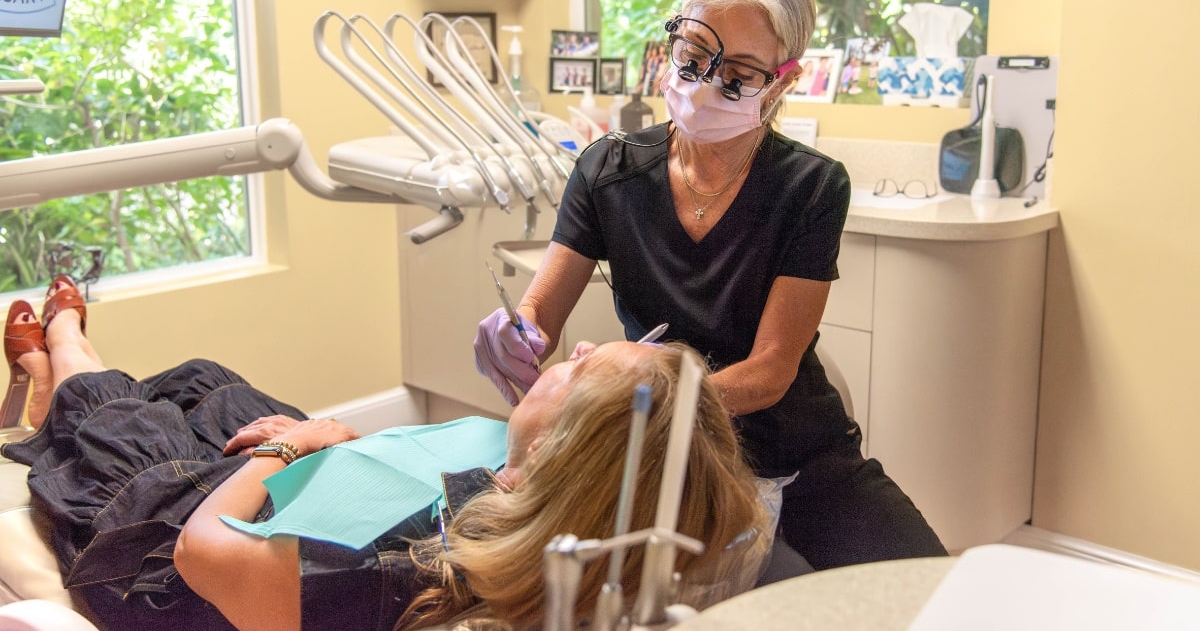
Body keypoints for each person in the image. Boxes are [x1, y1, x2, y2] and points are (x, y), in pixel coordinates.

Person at [474, 0, 947, 572]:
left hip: (791, 448)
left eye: (738, 76)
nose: (702, 85)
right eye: (692, 56)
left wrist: (640, 403)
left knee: (927, 588)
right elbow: (540, 315)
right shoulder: (607, 171)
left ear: (782, 82)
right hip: (652, 453)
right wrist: (519, 334)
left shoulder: (811, 186)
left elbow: (771, 371)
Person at [2, 276, 767, 631]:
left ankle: (59, 355)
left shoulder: (398, 576)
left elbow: (205, 556)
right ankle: (57, 390)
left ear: (561, 451)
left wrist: (284, 451)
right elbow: (418, 473)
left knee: (122, 422)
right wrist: (342, 443)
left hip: (178, 566)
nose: (584, 342)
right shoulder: (522, 494)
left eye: (579, 366)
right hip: (304, 506)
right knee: (218, 389)